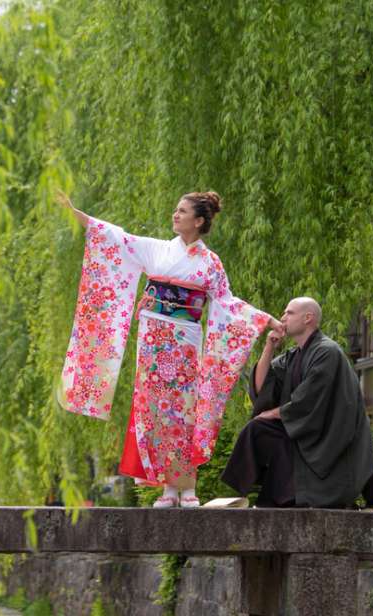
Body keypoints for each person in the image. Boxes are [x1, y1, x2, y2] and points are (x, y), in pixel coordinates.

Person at [56, 191, 276, 508]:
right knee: (155, 411)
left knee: (183, 411)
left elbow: (227, 304)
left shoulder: (210, 263)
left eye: (182, 211)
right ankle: (167, 489)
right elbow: (116, 238)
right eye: (176, 209)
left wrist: (266, 320)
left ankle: (187, 487)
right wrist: (75, 212)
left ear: (198, 221)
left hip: (185, 339)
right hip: (153, 340)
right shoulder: (158, 250)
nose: (175, 214)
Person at [221, 297, 373, 508]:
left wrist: (273, 413)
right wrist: (269, 347)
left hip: (328, 438)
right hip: (305, 430)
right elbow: (262, 388)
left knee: (265, 423)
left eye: (289, 313)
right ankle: (269, 492)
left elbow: (308, 401)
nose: (282, 318)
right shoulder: (294, 356)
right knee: (258, 429)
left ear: (308, 318)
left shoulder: (327, 351)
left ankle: (298, 493)